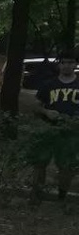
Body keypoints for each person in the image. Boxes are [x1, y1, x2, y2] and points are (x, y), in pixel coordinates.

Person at [23, 52, 79, 203]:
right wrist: (46, 112)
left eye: (70, 62)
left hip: (70, 132)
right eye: (63, 62)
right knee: (40, 162)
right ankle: (36, 195)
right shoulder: (49, 84)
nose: (66, 65)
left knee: (66, 166)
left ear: (75, 64)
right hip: (47, 129)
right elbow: (35, 106)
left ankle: (62, 197)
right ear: (59, 65)